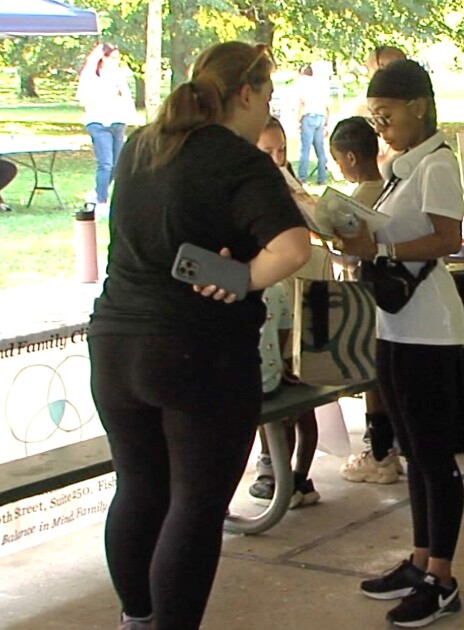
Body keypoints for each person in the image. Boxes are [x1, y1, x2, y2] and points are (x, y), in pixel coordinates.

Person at [88, 42, 311, 630]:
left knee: (137, 488)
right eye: (267, 95)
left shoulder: (142, 144)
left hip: (114, 341)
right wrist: (241, 278)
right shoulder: (237, 160)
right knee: (195, 503)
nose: (268, 109)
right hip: (197, 350)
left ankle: (136, 617)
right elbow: (292, 248)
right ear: (245, 94)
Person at [336, 59, 464, 628]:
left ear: (418, 105)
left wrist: (380, 253)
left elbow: (445, 239)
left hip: (430, 327)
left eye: (385, 114)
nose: (380, 126)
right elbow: (391, 230)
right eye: (374, 116)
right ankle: (418, 562)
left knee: (434, 457)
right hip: (395, 323)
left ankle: (442, 578)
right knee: (413, 453)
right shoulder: (402, 168)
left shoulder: (438, 164)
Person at [245, 117, 322, 509]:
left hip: (297, 300)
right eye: (266, 152)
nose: (276, 160)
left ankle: (298, 476)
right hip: (269, 306)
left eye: (282, 151)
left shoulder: (291, 188)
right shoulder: (247, 188)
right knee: (268, 396)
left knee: (300, 397)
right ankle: (270, 468)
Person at [329, 116, 404, 486]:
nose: (337, 167)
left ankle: (380, 454)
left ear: (351, 158)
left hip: (366, 293)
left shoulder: (359, 200)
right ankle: (387, 449)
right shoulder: (392, 186)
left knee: (373, 376)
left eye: (338, 159)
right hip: (390, 294)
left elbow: (352, 252)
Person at [77, 44, 136, 217]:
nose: (116, 61)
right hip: (98, 123)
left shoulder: (118, 76)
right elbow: (83, 99)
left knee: (117, 164)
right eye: (113, 57)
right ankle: (102, 201)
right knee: (106, 162)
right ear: (102, 58)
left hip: (117, 122)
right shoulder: (91, 76)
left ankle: (96, 192)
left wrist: (131, 116)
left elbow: (127, 97)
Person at [295, 64, 331, 185]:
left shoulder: (301, 82)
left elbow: (302, 102)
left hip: (308, 116)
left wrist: (298, 120)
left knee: (305, 149)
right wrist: (327, 123)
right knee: (320, 149)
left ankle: (302, 177)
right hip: (321, 116)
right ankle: (321, 178)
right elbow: (327, 106)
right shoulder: (320, 83)